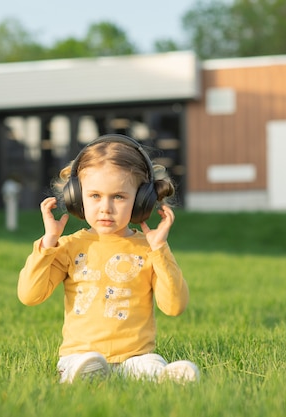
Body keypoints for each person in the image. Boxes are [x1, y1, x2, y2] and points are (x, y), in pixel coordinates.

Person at [18, 134, 199, 384]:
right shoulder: (69, 247)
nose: (106, 207)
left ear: (141, 201)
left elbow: (174, 307)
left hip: (134, 356)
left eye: (119, 197)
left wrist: (160, 250)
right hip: (79, 355)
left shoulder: (149, 249)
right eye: (94, 196)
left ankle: (167, 379)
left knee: (150, 363)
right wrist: (48, 243)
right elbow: (30, 295)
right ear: (76, 197)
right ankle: (85, 375)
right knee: (85, 363)